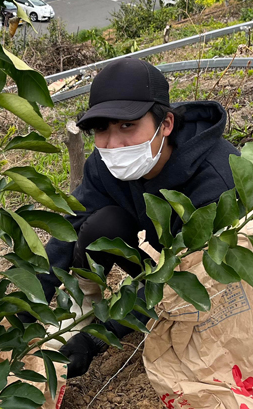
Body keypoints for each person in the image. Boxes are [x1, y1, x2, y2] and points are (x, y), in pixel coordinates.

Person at [42, 57, 239, 378]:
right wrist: (19, 311)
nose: (113, 144)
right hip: (154, 258)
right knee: (100, 225)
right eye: (101, 129)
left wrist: (93, 341)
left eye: (127, 125)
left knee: (185, 299)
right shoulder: (103, 164)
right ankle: (82, 310)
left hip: (205, 277)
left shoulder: (217, 177)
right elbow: (68, 231)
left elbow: (187, 277)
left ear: (166, 124)